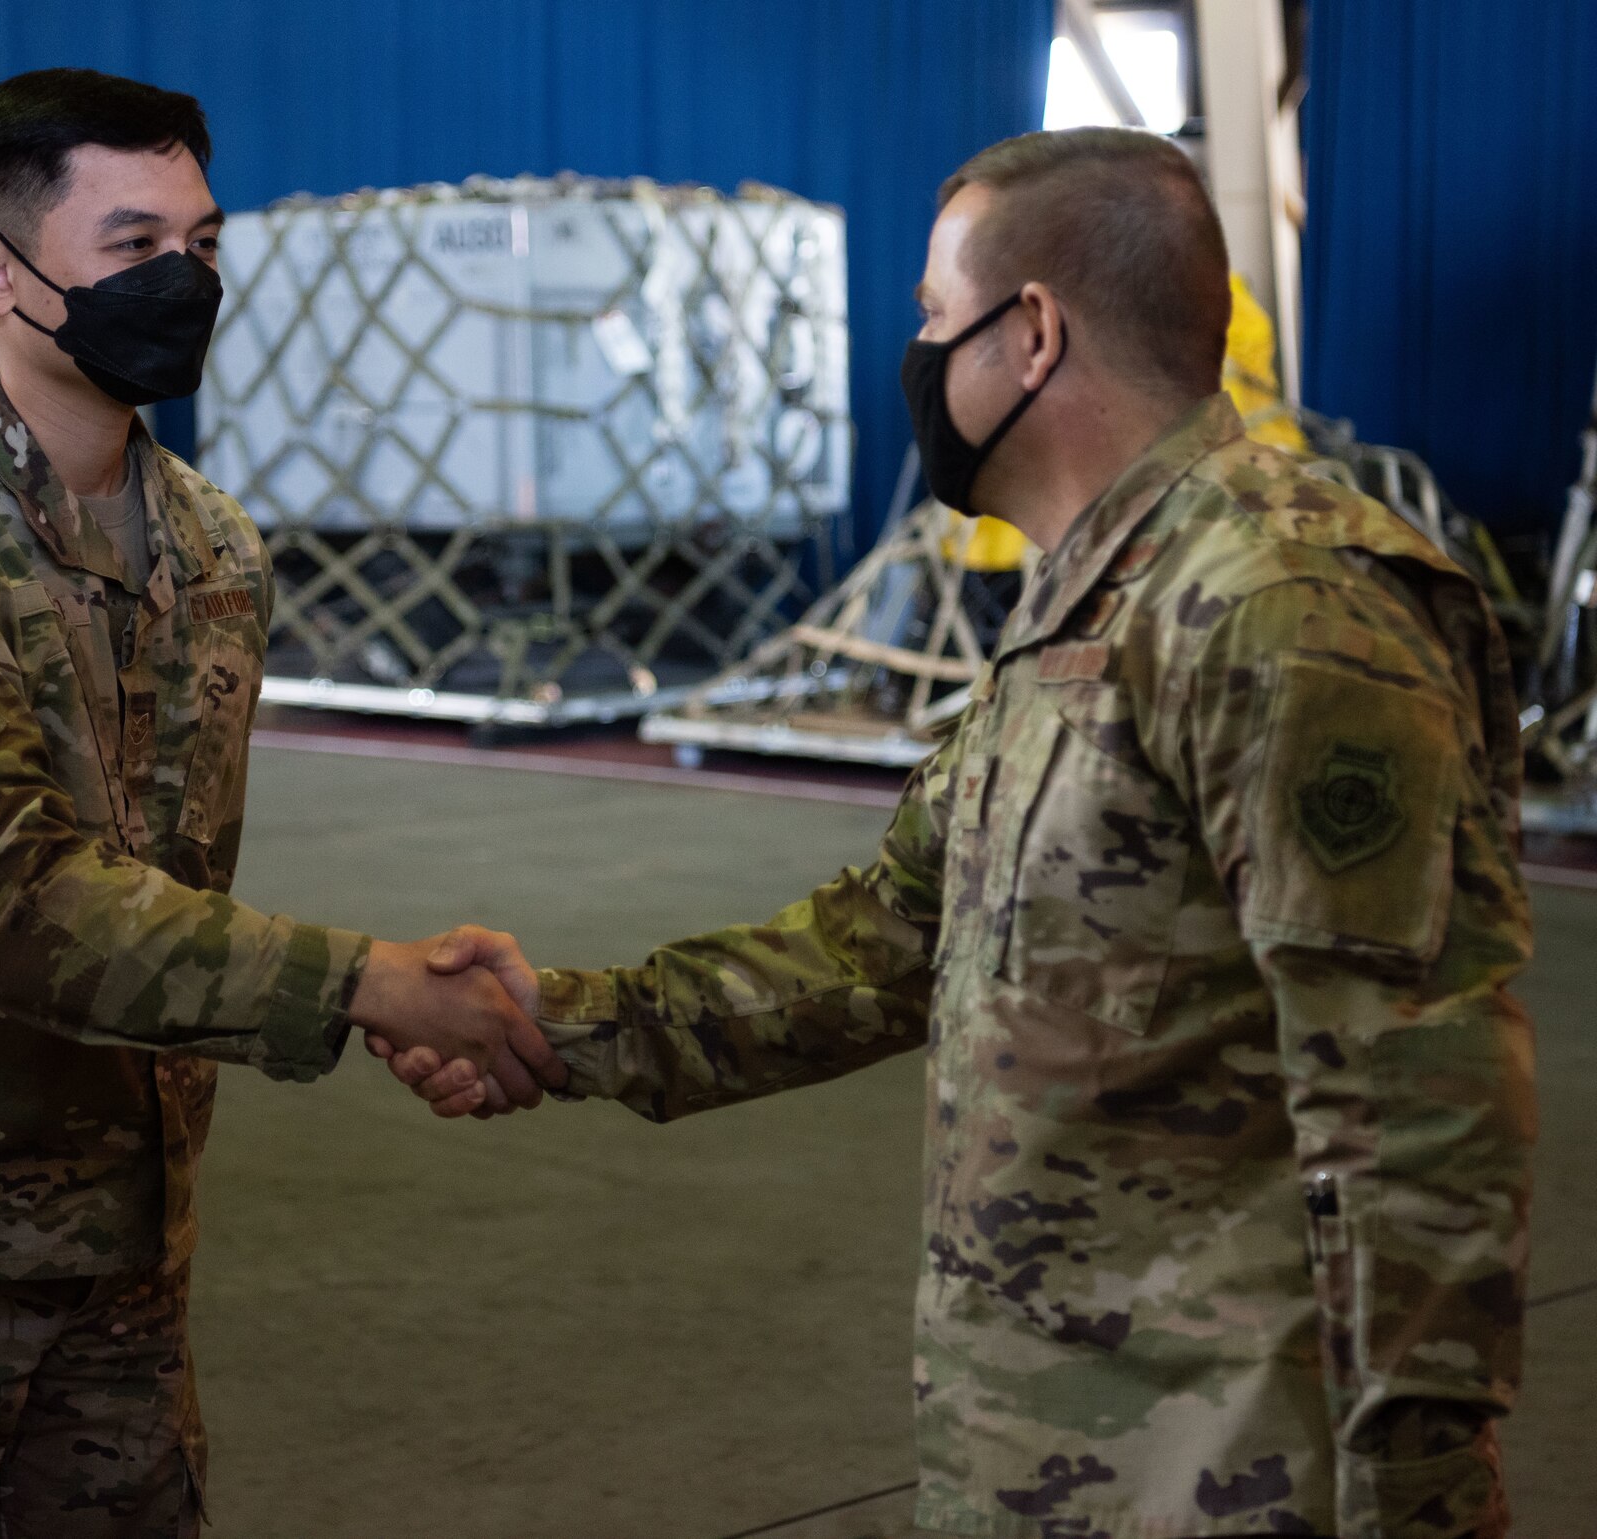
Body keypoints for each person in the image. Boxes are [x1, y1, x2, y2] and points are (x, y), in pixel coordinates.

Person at [384, 128, 1536, 1539]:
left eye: (935, 315)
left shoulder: (1281, 607)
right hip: (1051, 1454)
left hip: (1234, 1475)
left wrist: (1416, 1495)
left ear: (1031, 334)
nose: (919, 350)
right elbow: (886, 944)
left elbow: (1414, 1099)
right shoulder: (1085, 602)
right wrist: (560, 1025)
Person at [0, 67, 562, 1537]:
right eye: (134, 246)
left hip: (126, 1245)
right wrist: (369, 989)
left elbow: (166, 882)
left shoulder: (214, 548)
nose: (185, 282)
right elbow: (16, 910)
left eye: (205, 244)